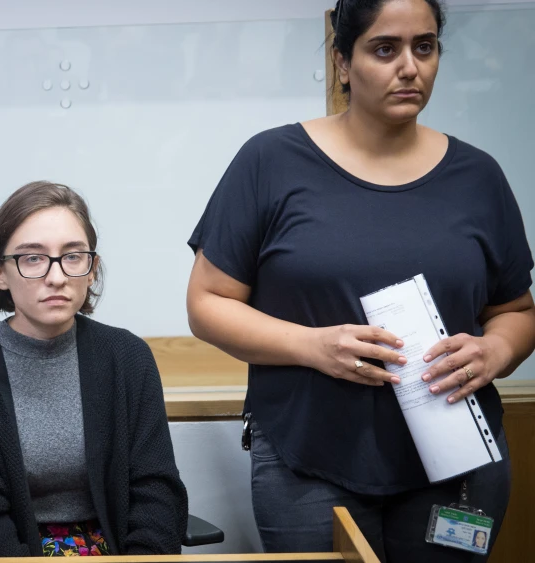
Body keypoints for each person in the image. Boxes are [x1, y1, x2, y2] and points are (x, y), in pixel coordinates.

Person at [184, 0, 534, 560]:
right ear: (343, 62)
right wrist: (311, 345)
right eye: (384, 48)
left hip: (457, 465)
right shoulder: (270, 161)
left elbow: (517, 309)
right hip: (308, 461)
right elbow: (206, 303)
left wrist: (496, 350)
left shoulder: (479, 177)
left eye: (425, 46)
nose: (409, 66)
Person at [0, 181, 188, 557]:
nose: (56, 276)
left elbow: (156, 492)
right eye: (32, 258)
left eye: (72, 256)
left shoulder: (127, 357)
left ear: (92, 268)